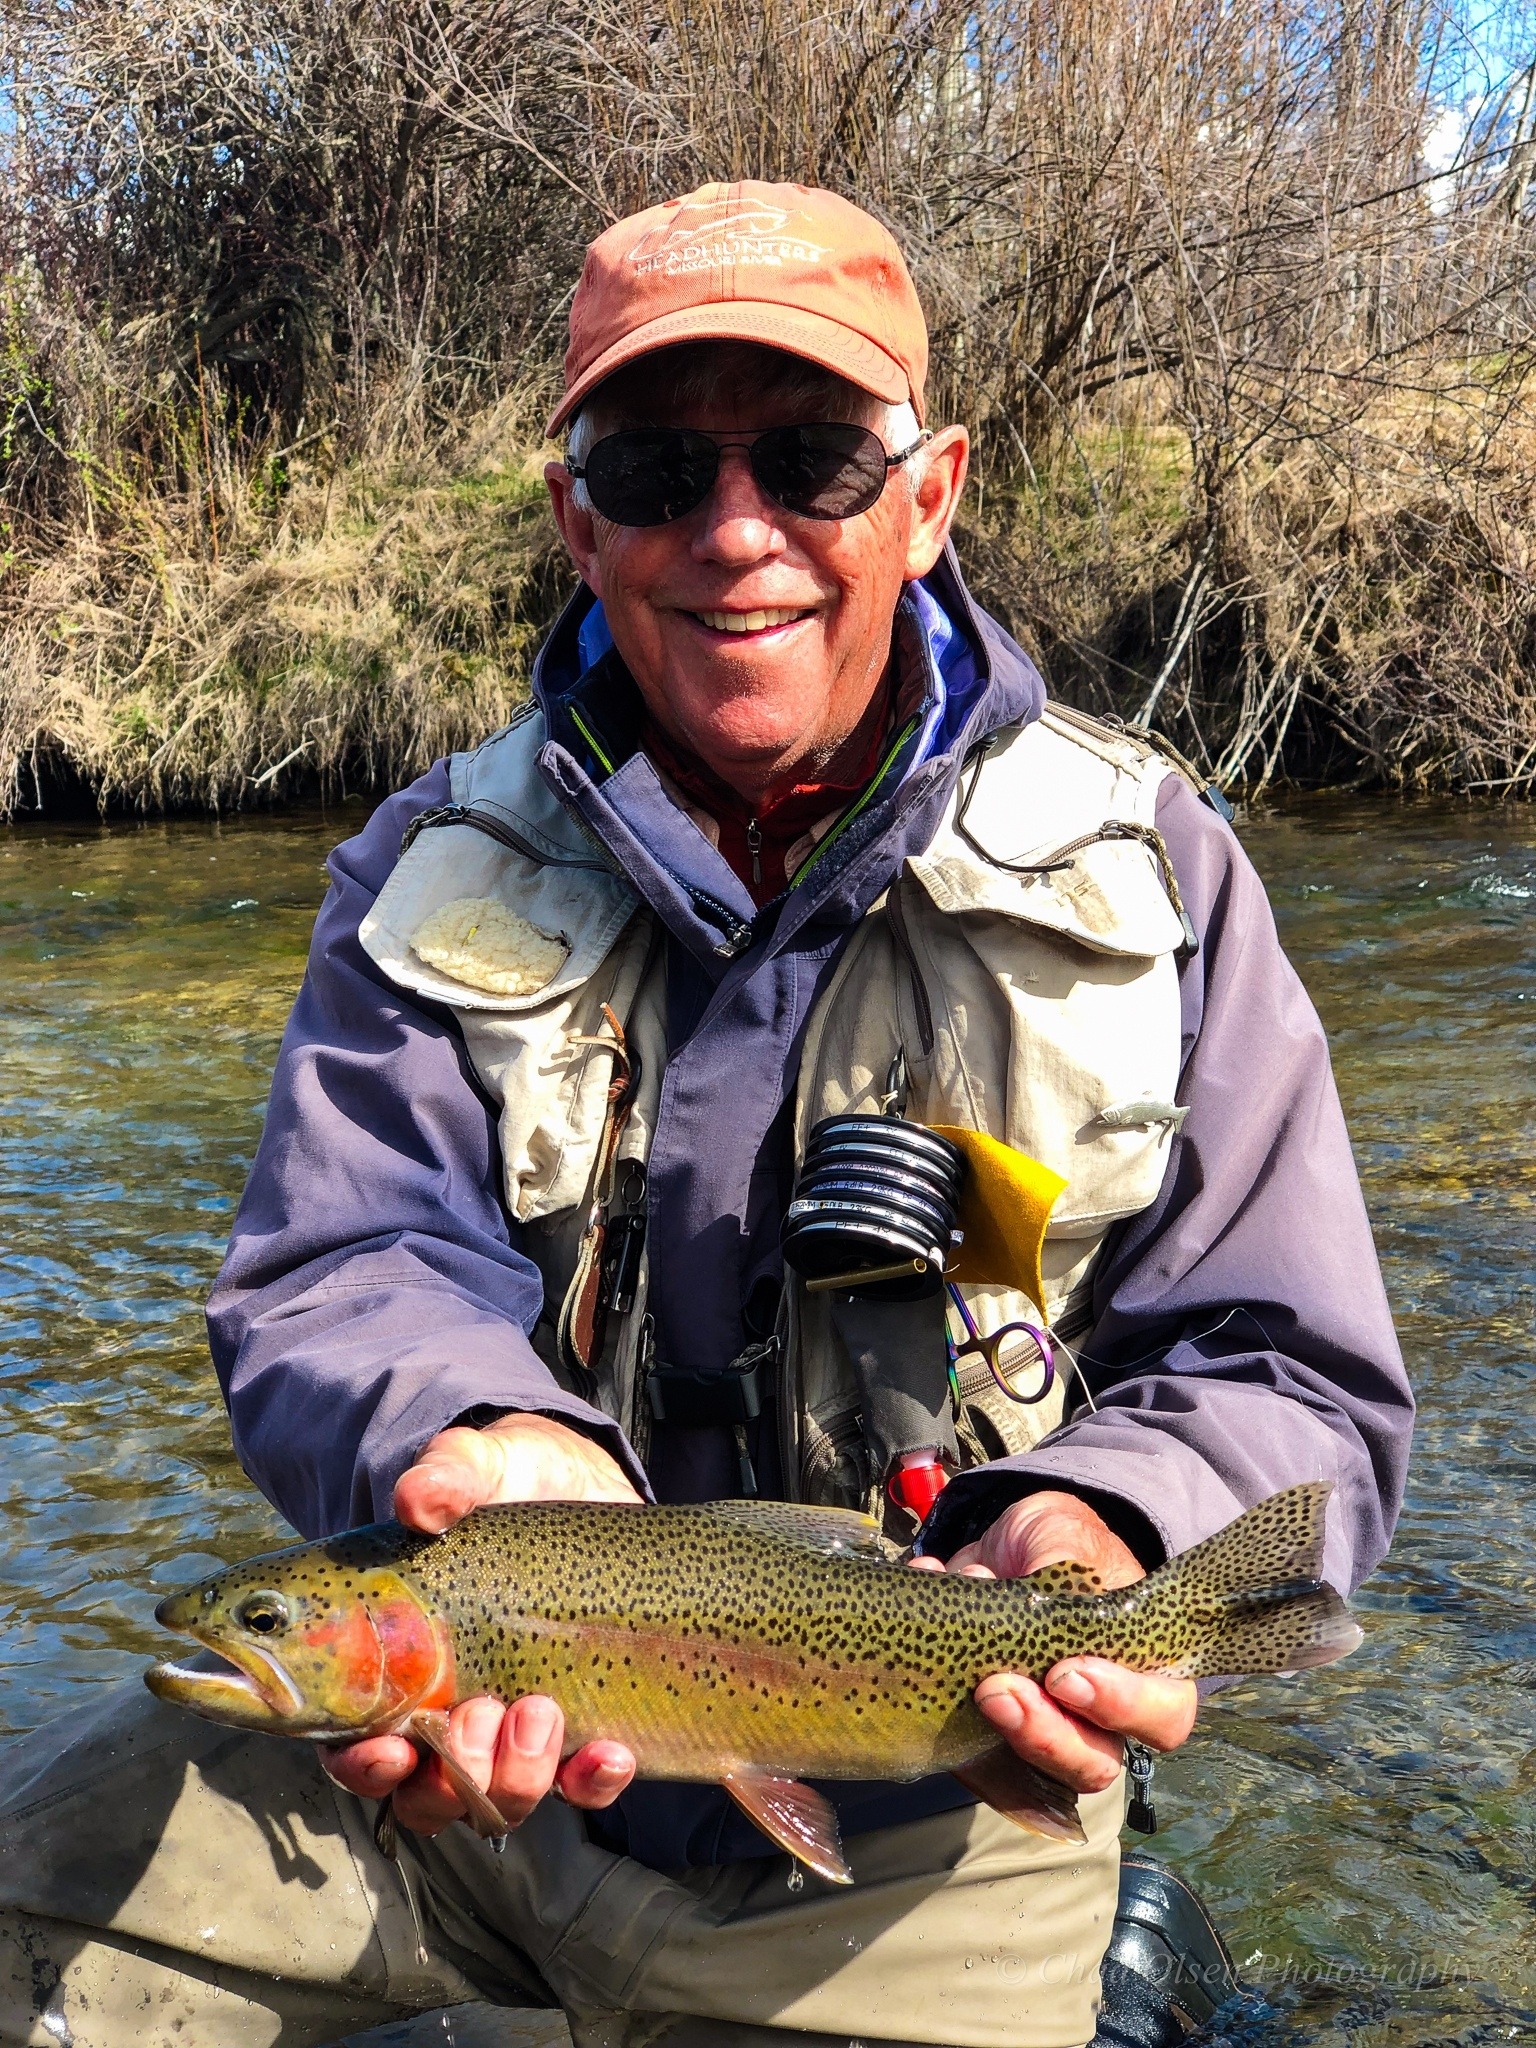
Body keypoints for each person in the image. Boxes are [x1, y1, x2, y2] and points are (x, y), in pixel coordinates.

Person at [0, 180, 1412, 2048]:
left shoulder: (1158, 870)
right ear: (577, 517)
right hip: (454, 1787)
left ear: (932, 492)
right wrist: (466, 1425)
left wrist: (1112, 1526)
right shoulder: (428, 866)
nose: (738, 531)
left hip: (928, 1801)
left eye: (816, 459)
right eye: (660, 465)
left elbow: (1289, 1370)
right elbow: (342, 1262)